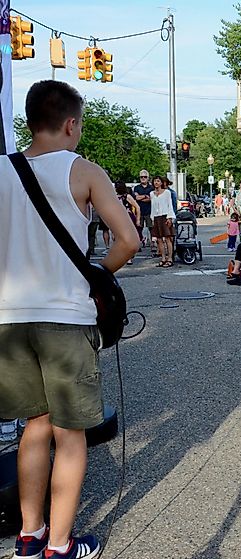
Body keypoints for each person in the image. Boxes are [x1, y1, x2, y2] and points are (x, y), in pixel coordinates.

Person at [0, 79, 138, 559]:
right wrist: (95, 275)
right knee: (70, 433)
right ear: (71, 123)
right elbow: (128, 241)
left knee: (32, 428)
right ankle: (61, 546)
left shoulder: (1, 171)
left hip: (9, 321)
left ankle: (29, 536)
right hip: (64, 317)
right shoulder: (83, 171)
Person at [151, 175, 176, 267]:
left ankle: (170, 258)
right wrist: (152, 218)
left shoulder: (167, 193)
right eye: (155, 181)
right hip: (156, 217)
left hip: (165, 216)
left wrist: (170, 217)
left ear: (161, 183)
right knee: (159, 239)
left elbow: (170, 205)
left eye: (158, 181)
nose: (156, 183)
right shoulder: (152, 194)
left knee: (168, 238)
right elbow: (152, 207)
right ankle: (163, 258)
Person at [115, 181, 141, 264]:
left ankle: (129, 257)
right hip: (119, 218)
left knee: (128, 238)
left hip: (128, 218)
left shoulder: (127, 196)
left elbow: (137, 207)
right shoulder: (115, 197)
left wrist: (138, 219)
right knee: (119, 238)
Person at [133, 168, 154, 248]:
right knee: (139, 228)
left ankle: (152, 243)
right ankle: (140, 241)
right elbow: (136, 197)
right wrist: (145, 196)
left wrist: (141, 197)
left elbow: (151, 198)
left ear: (148, 178)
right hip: (139, 211)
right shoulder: (137, 187)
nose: (143, 178)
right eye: (141, 177)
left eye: (145, 177)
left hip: (149, 211)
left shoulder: (151, 187)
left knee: (151, 228)